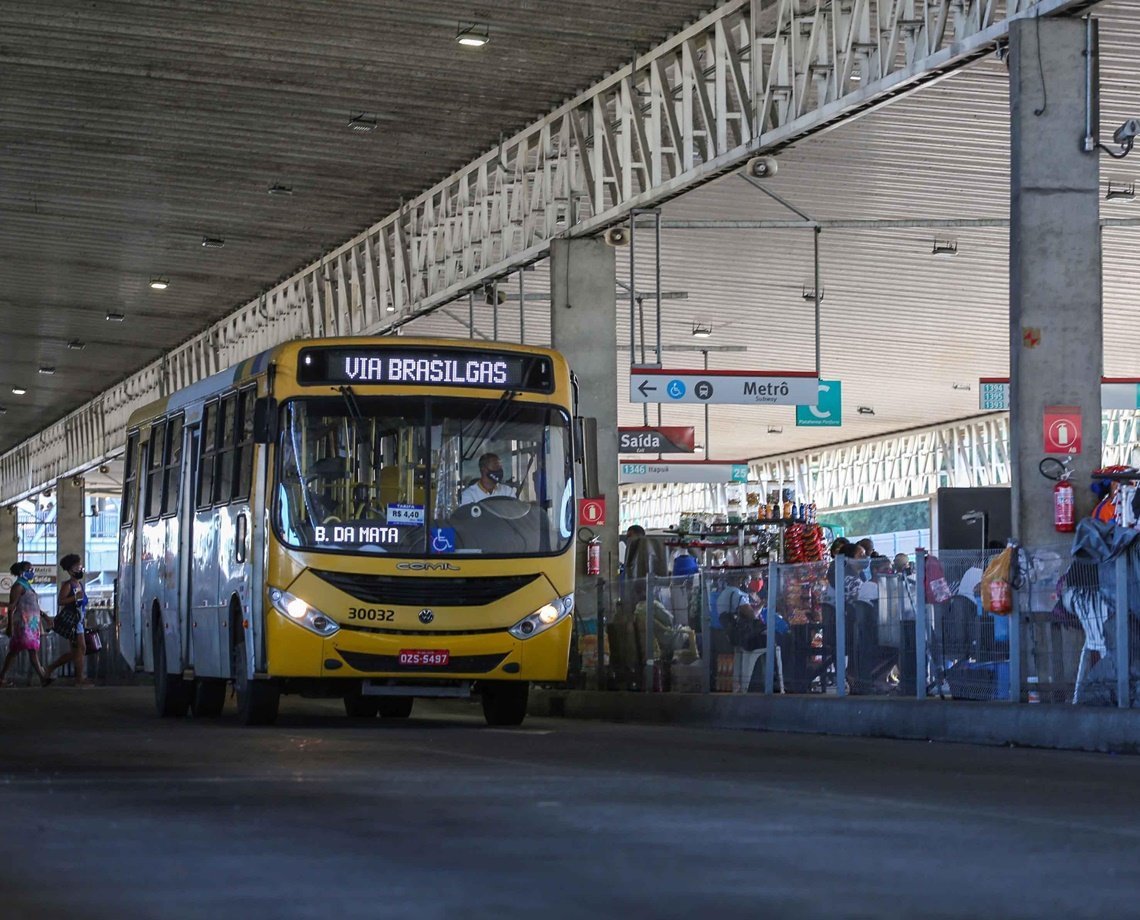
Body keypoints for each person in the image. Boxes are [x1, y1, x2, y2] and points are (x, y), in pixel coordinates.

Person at [0, 561, 51, 687]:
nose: (32, 572)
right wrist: (10, 625)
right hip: (23, 623)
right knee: (18, 650)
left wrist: (45, 616)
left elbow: (34, 606)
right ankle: (42, 677)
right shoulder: (18, 586)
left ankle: (42, 677)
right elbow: (12, 607)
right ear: (22, 572)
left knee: (29, 649)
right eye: (29, 570)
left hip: (31, 624)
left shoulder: (27, 586)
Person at [45, 553, 92, 687]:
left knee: (77, 651)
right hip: (73, 621)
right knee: (81, 648)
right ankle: (79, 678)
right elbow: (61, 601)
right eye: (77, 566)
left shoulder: (80, 584)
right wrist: (74, 598)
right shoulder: (68, 585)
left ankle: (52, 668)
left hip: (80, 620)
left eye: (80, 566)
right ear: (70, 570)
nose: (80, 569)